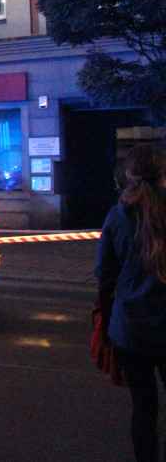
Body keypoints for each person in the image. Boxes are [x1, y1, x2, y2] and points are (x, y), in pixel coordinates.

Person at [95, 142, 166, 462]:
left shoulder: (117, 215)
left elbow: (104, 273)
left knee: (144, 406)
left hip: (131, 329)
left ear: (129, 174)